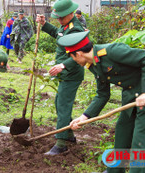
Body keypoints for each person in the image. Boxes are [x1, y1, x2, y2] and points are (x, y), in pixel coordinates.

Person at [57, 31, 145, 173]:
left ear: (77, 54)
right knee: (122, 130)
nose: (74, 62)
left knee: (139, 141)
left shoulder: (112, 51)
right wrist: (83, 117)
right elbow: (102, 95)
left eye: (72, 57)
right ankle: (114, 171)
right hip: (132, 92)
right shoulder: (93, 64)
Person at [36, 0, 85, 155]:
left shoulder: (76, 29)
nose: (59, 20)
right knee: (60, 103)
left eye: (61, 18)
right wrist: (44, 25)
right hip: (65, 75)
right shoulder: (66, 26)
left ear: (70, 13)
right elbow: (58, 34)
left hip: (71, 74)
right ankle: (69, 135)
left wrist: (63, 65)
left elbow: (81, 53)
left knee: (63, 106)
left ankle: (61, 143)